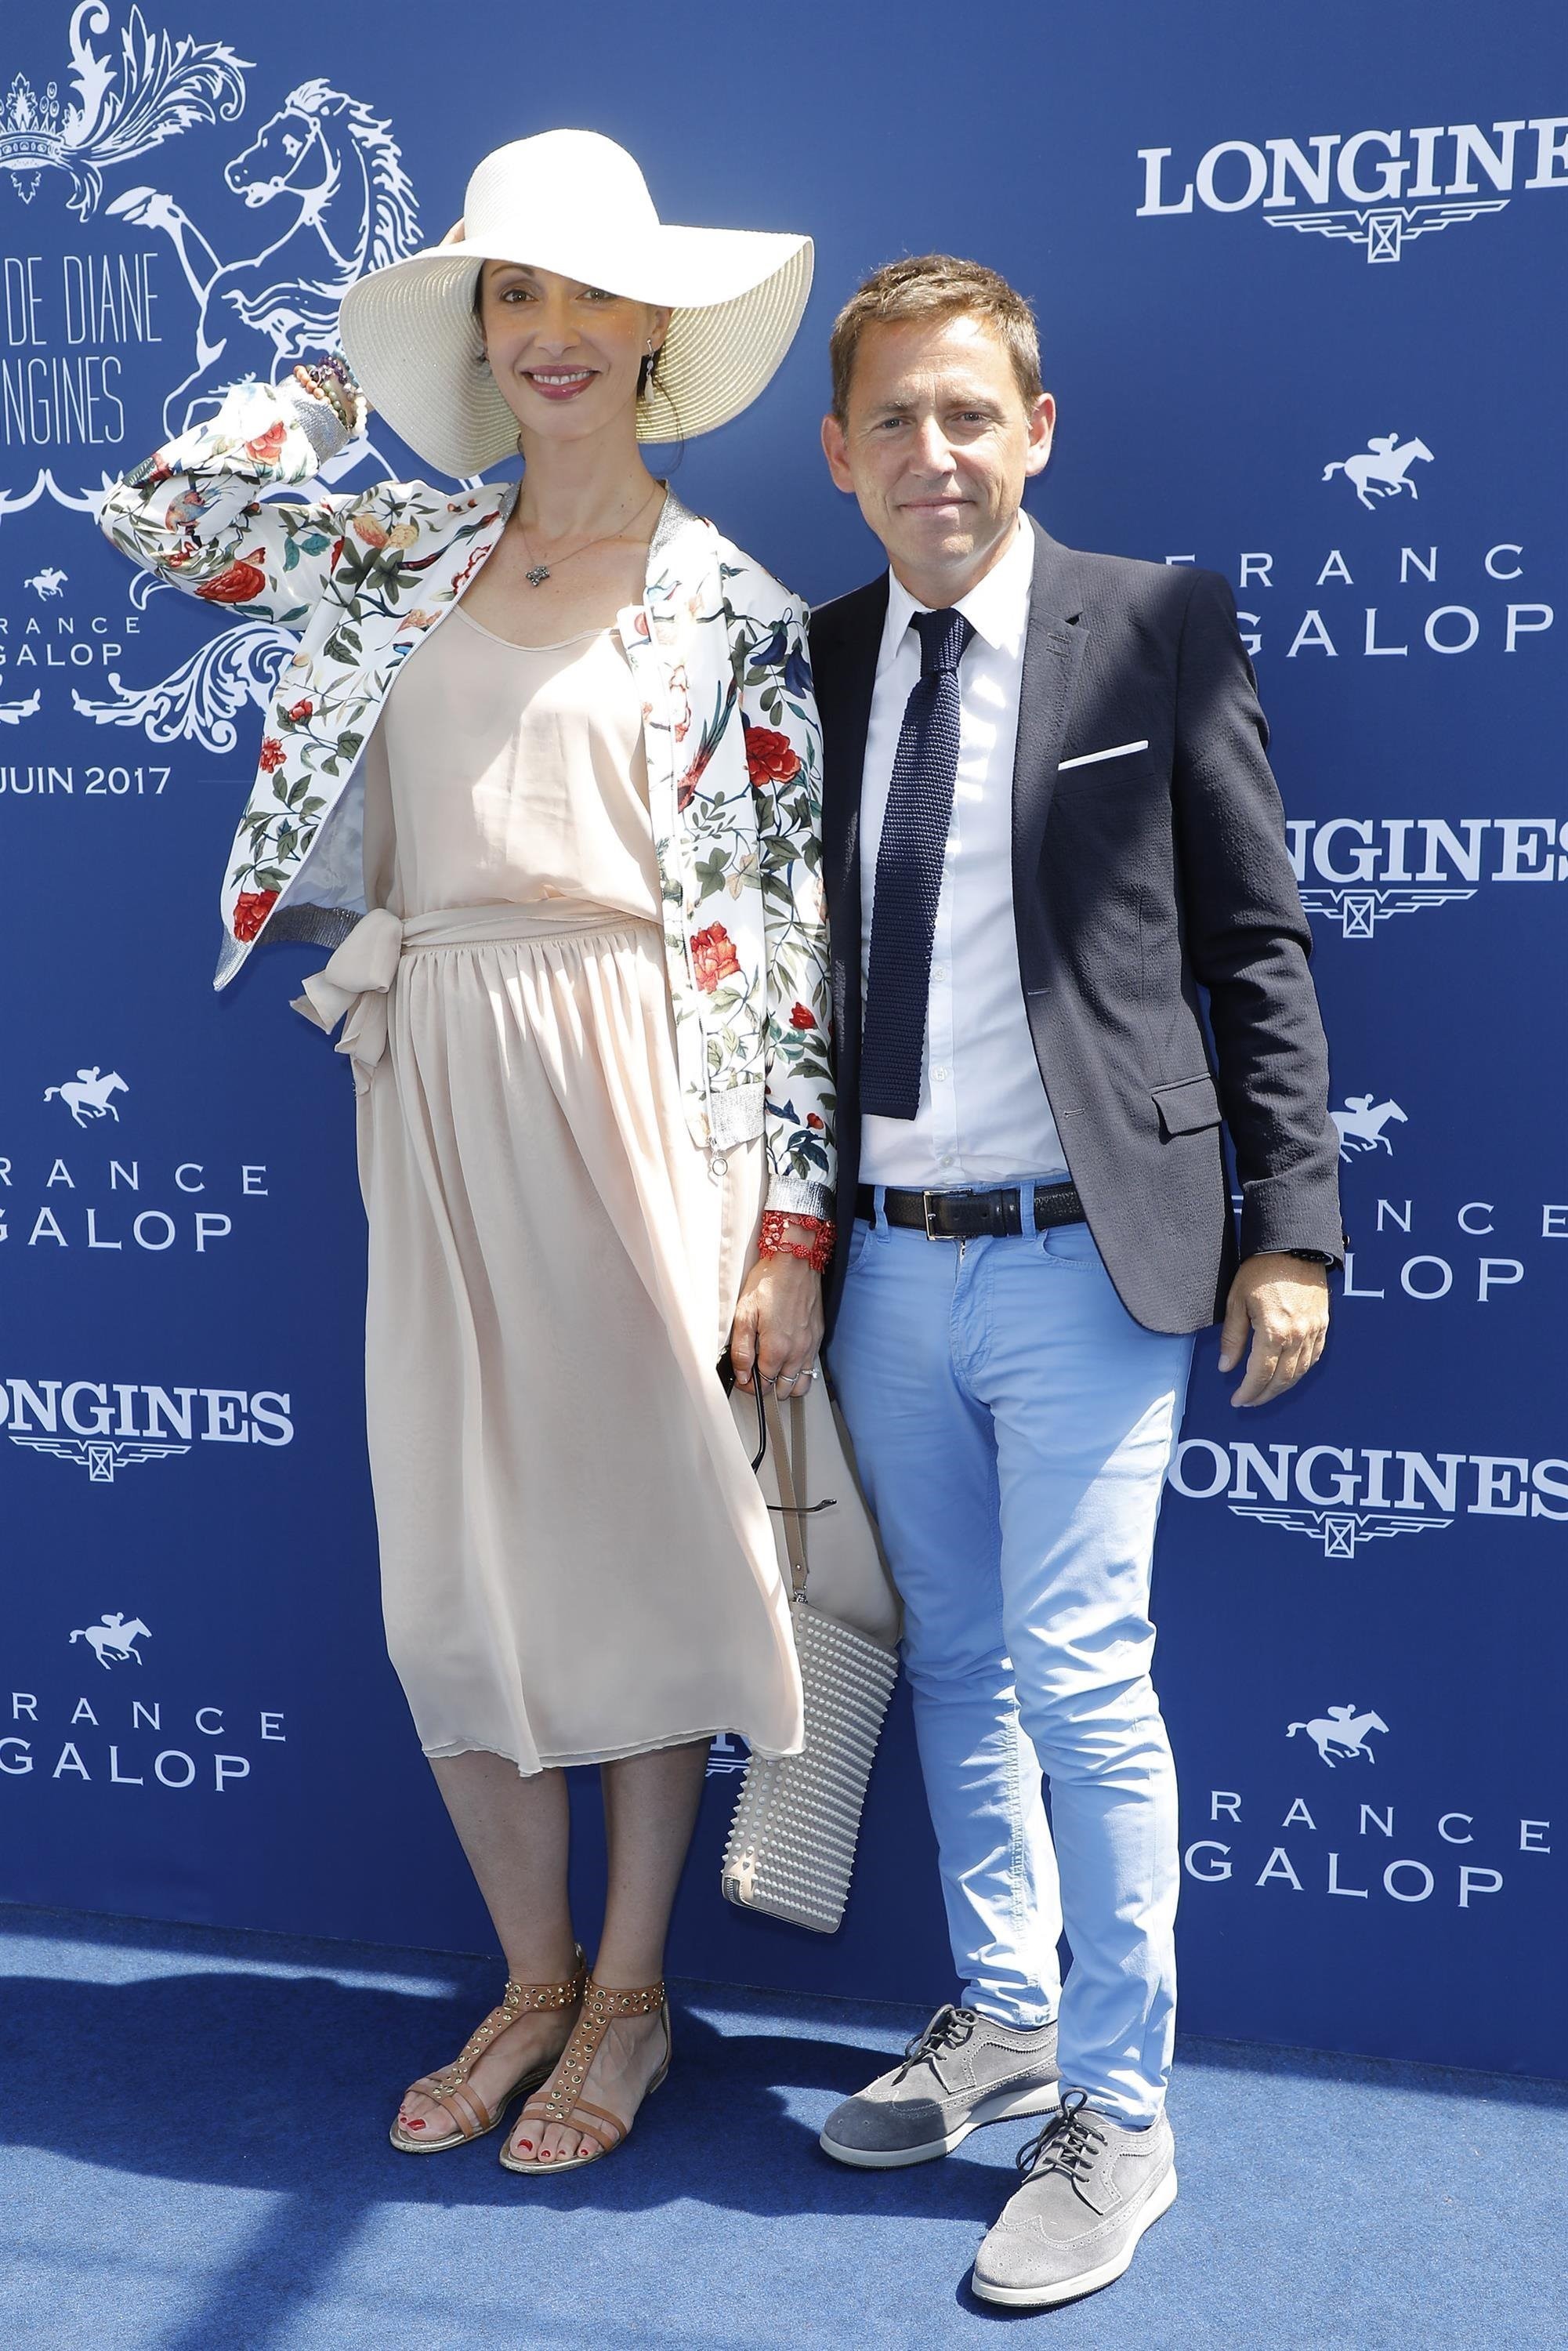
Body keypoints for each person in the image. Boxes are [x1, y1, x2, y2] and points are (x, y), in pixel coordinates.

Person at [100, 129, 835, 2175]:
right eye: (513, 293)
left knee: (634, 1552)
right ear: (477, 329)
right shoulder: (392, 556)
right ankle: (525, 1980)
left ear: (656, 327)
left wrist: (785, 1225)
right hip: (429, 1078)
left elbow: (790, 940)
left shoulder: (732, 609)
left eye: (591, 292)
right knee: (453, 1564)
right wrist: (339, 390)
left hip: (645, 1088)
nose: (553, 331)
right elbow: (166, 516)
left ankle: (627, 1993)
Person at [808, 255, 1341, 2306]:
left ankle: (1122, 2109)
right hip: (882, 1266)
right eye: (893, 419)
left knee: (1080, 1676)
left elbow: (1255, 941)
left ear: (1035, 431)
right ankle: (1004, 2015)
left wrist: (1290, 1224)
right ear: (840, 454)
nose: (931, 452)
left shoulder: (1155, 624)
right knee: (954, 1660)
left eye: (969, 413)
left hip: (1088, 1261)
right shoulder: (814, 661)